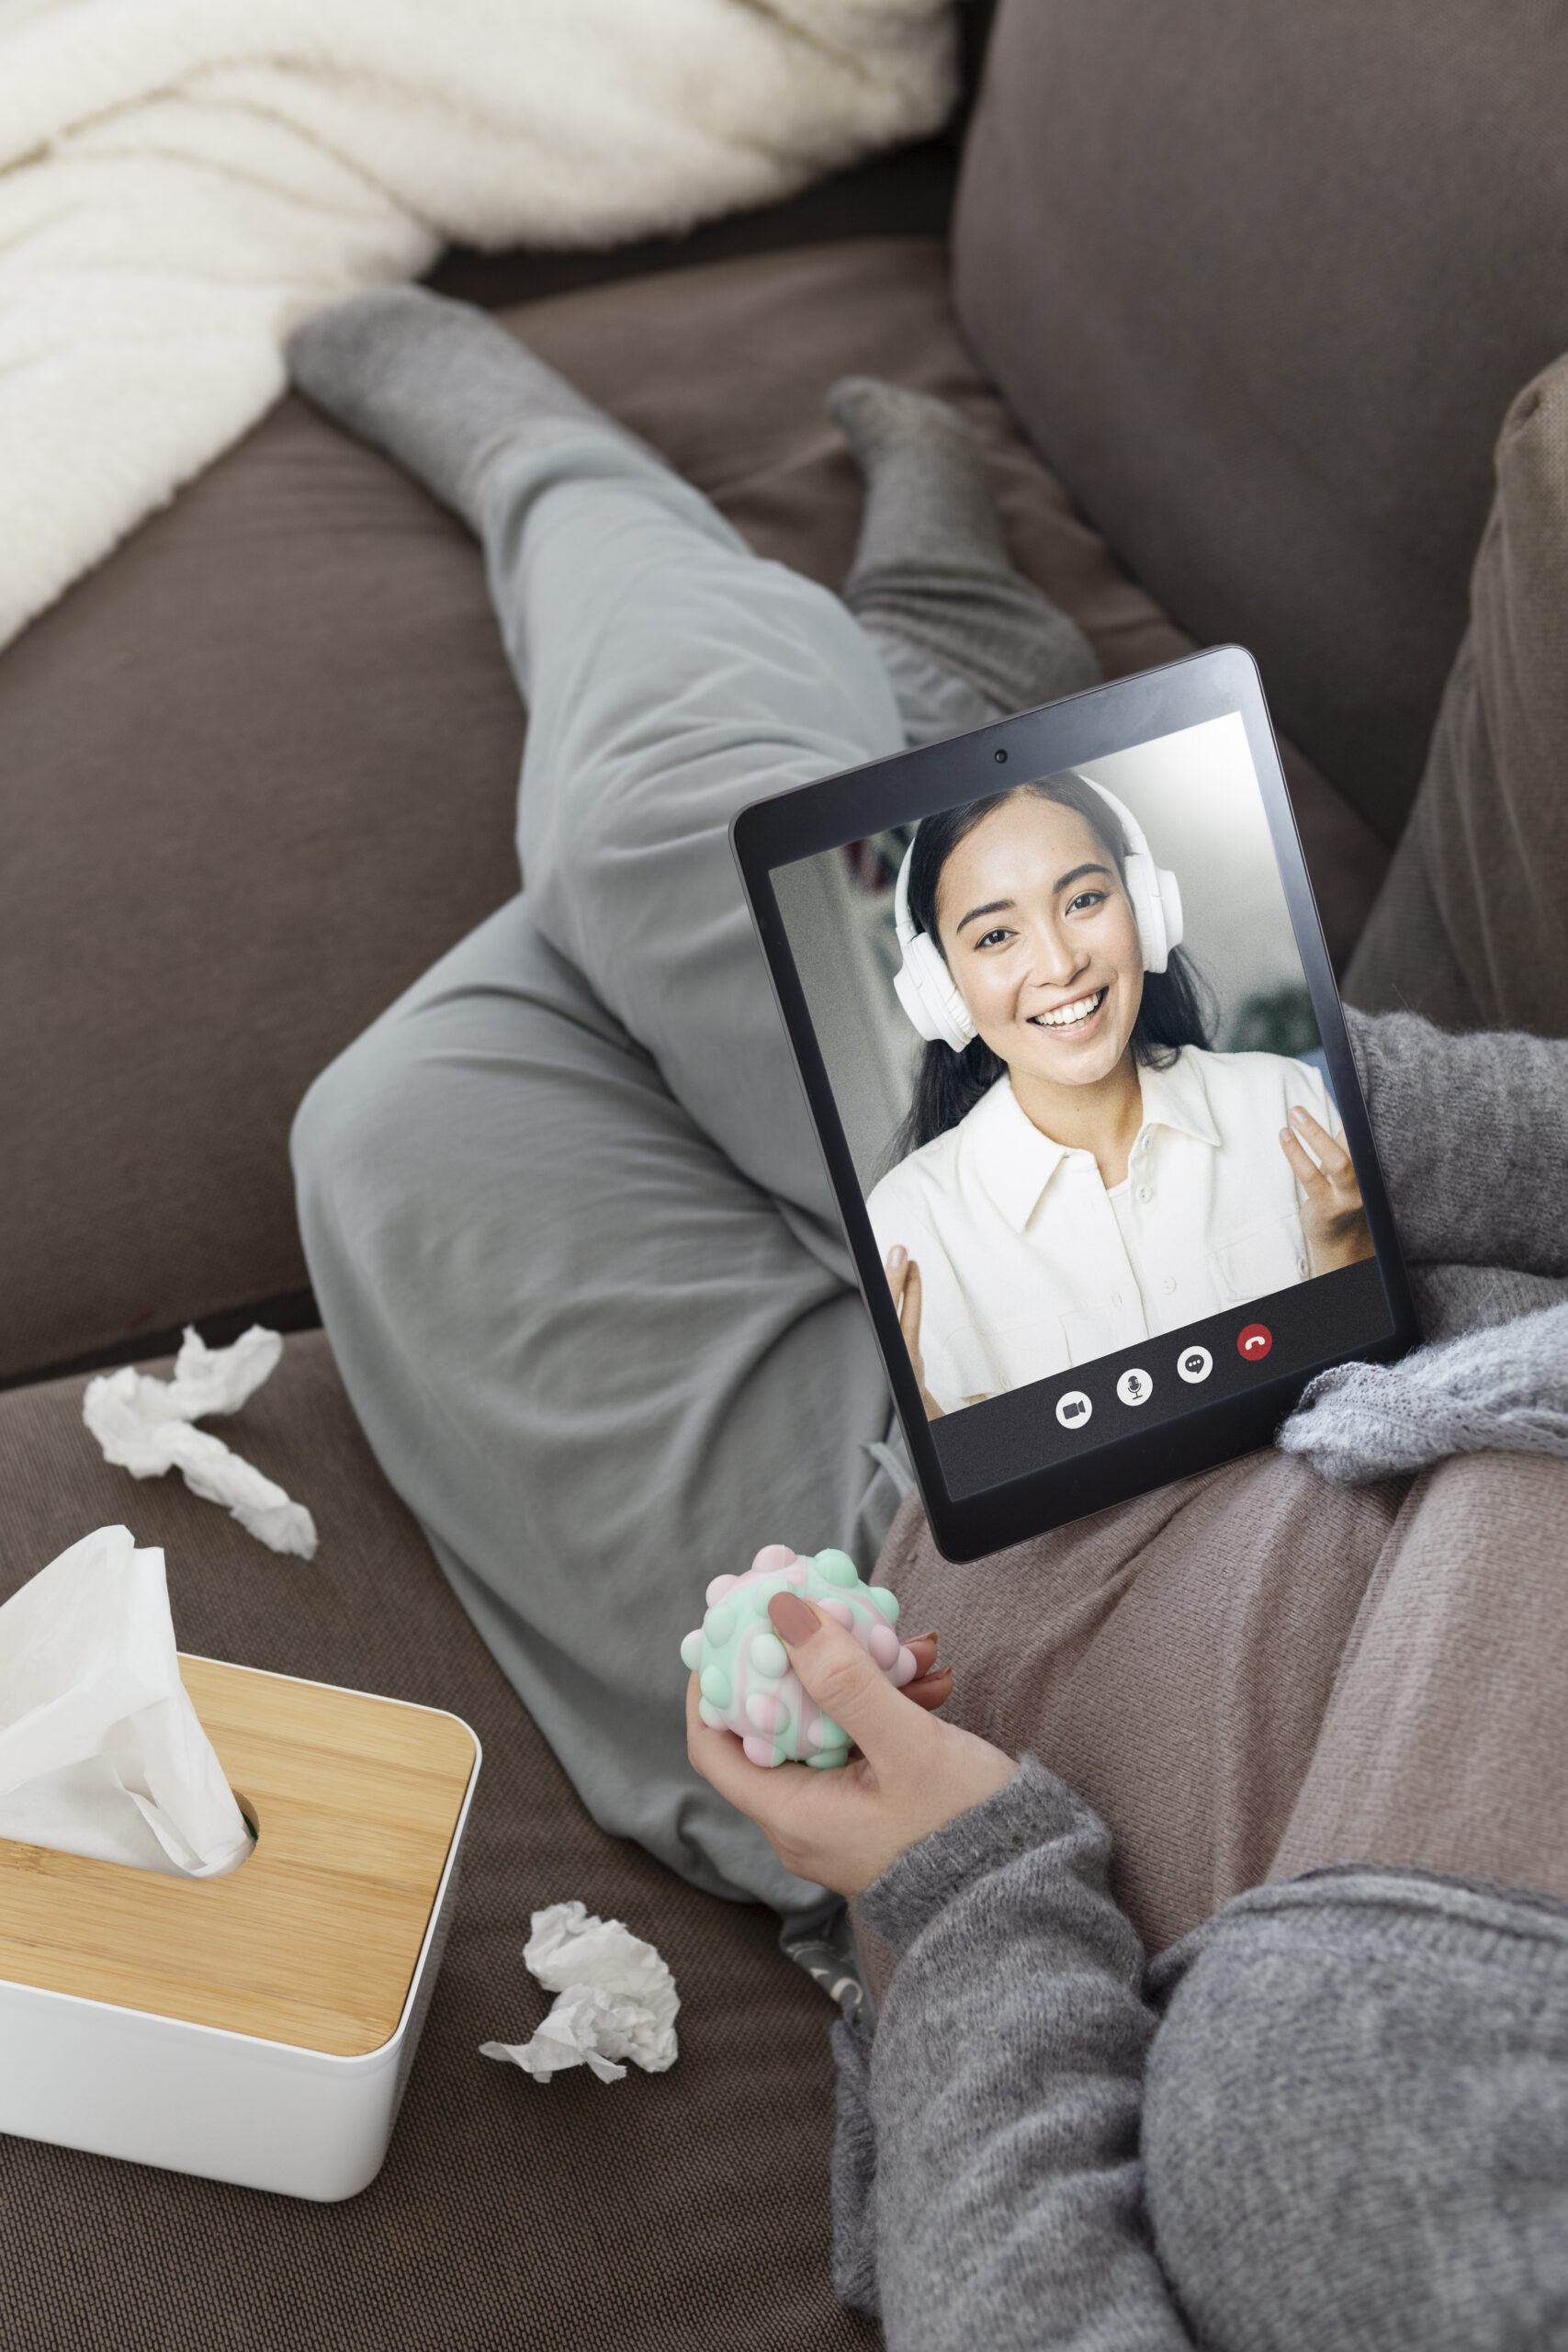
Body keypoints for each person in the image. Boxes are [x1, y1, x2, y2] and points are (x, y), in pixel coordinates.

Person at [288, 286, 1568, 2339]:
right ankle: (574, 495)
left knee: (398, 1131)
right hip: (1279, 1291)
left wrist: (959, 1885)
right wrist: (1297, 1136)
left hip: (944, 1708)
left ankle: (931, 698)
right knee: (653, 849)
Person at [867, 775, 1371, 1414]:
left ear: (1145, 909)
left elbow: (1365, 1398)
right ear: (939, 989)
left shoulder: (1286, 1105)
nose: (1058, 965)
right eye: (995, 935)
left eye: (1082, 900)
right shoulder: (908, 1226)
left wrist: (1344, 1247)